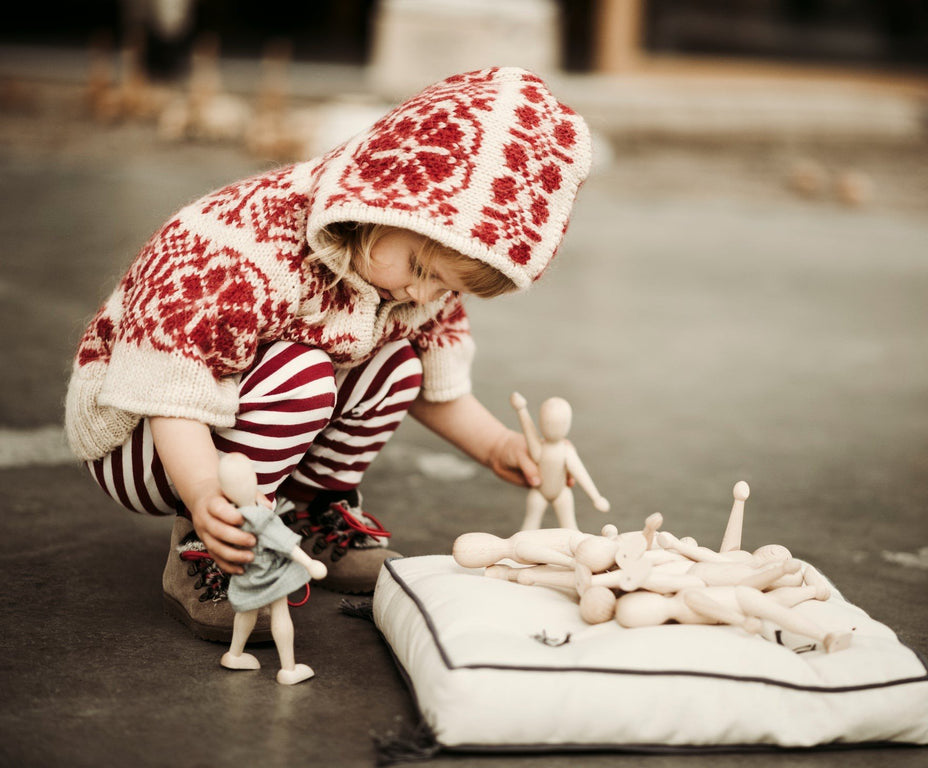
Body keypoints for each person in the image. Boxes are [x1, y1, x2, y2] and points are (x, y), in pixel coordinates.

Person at [64, 67, 593, 642]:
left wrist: (497, 445)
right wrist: (202, 491)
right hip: (142, 434)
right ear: (385, 199)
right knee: (303, 373)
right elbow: (171, 384)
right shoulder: (241, 242)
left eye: (445, 287)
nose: (422, 294)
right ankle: (208, 547)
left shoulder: (413, 282)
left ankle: (311, 509)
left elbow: (438, 388)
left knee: (397, 365)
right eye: (419, 269)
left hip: (247, 420)